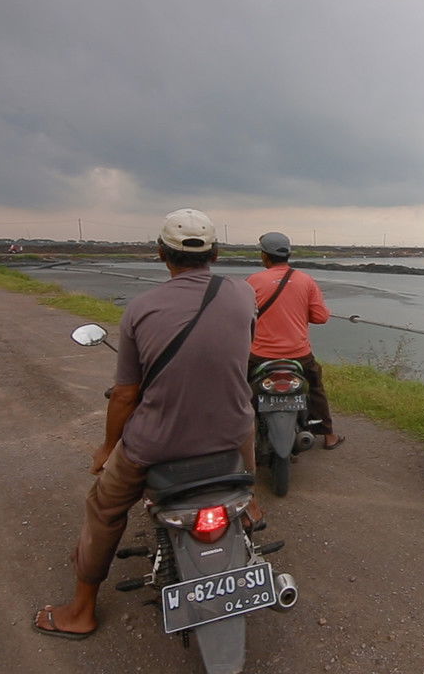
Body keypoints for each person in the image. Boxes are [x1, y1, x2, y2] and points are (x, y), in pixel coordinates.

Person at [34, 208, 260, 639]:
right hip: (230, 433)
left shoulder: (141, 308)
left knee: (104, 508)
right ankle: (250, 505)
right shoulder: (243, 294)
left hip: (157, 444)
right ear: (215, 252)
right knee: (244, 426)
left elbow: (125, 394)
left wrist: (106, 448)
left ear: (160, 253)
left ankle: (81, 610)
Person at [246, 231, 341, 449]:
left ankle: (237, 433)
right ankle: (328, 435)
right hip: (299, 354)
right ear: (288, 254)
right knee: (315, 387)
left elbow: (242, 316)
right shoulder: (305, 281)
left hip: (260, 355)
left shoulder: (253, 282)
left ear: (264, 256)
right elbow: (321, 317)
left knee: (240, 389)